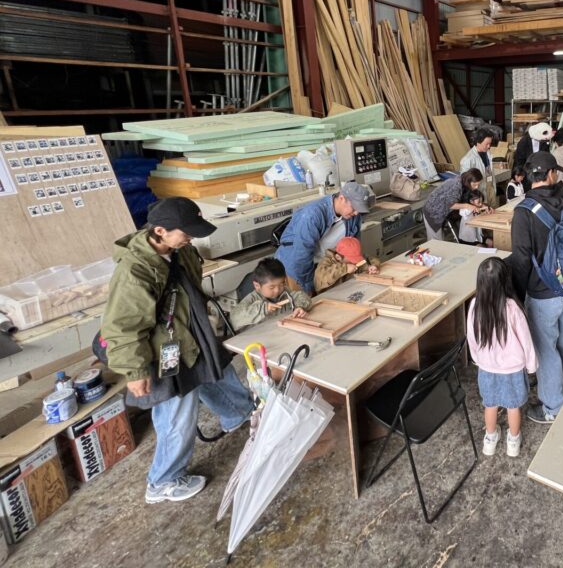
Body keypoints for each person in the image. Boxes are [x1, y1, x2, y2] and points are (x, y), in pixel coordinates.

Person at [101, 198, 252, 504]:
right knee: (177, 415)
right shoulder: (135, 271)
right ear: (160, 231)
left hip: (192, 334)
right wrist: (136, 371)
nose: (192, 238)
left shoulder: (180, 251)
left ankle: (239, 415)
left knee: (218, 373)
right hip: (164, 350)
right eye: (186, 232)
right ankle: (163, 481)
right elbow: (123, 325)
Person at [506, 152, 563, 424]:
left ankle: (553, 407)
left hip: (542, 293)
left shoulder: (523, 212)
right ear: (550, 174)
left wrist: (518, 296)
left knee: (546, 350)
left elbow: (520, 260)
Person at [466, 257, 538, 458]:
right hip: (512, 369)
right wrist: (531, 365)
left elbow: (471, 336)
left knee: (490, 404)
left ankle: (490, 439)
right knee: (513, 407)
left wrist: (477, 358)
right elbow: (526, 340)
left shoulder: (474, 305)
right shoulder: (512, 308)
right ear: (505, 280)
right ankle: (513, 441)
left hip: (487, 367)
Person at [275, 182, 374, 295]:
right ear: (342, 198)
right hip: (297, 268)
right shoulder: (312, 215)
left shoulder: (353, 216)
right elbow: (301, 256)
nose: (356, 213)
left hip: (324, 264)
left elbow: (354, 248)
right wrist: (310, 289)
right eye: (354, 208)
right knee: (306, 301)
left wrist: (365, 266)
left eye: (359, 209)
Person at [232, 258, 312, 331]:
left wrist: (299, 307)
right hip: (259, 337)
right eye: (272, 287)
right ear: (257, 286)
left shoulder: (285, 292)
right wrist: (263, 309)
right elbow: (234, 318)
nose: (277, 290)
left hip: (281, 332)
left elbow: (301, 297)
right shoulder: (252, 299)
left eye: (281, 284)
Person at [423, 169, 486, 241]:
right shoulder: (456, 186)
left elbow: (472, 199)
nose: (477, 187)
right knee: (435, 241)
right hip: (432, 211)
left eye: (478, 184)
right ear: (469, 180)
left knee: (440, 239)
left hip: (442, 211)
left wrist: (484, 206)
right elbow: (450, 205)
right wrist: (468, 206)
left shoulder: (465, 182)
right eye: (475, 184)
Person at [313, 236, 380, 293]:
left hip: (348, 291)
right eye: (351, 260)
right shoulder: (326, 262)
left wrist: (372, 266)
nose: (354, 263)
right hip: (330, 297)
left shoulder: (351, 258)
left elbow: (368, 260)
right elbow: (322, 279)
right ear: (338, 257)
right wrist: (345, 268)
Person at [461, 126, 500, 206]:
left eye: (490, 143)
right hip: (479, 192)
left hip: (490, 186)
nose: (489, 146)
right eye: (486, 144)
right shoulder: (468, 159)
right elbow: (466, 184)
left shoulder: (487, 153)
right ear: (478, 142)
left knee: (493, 209)